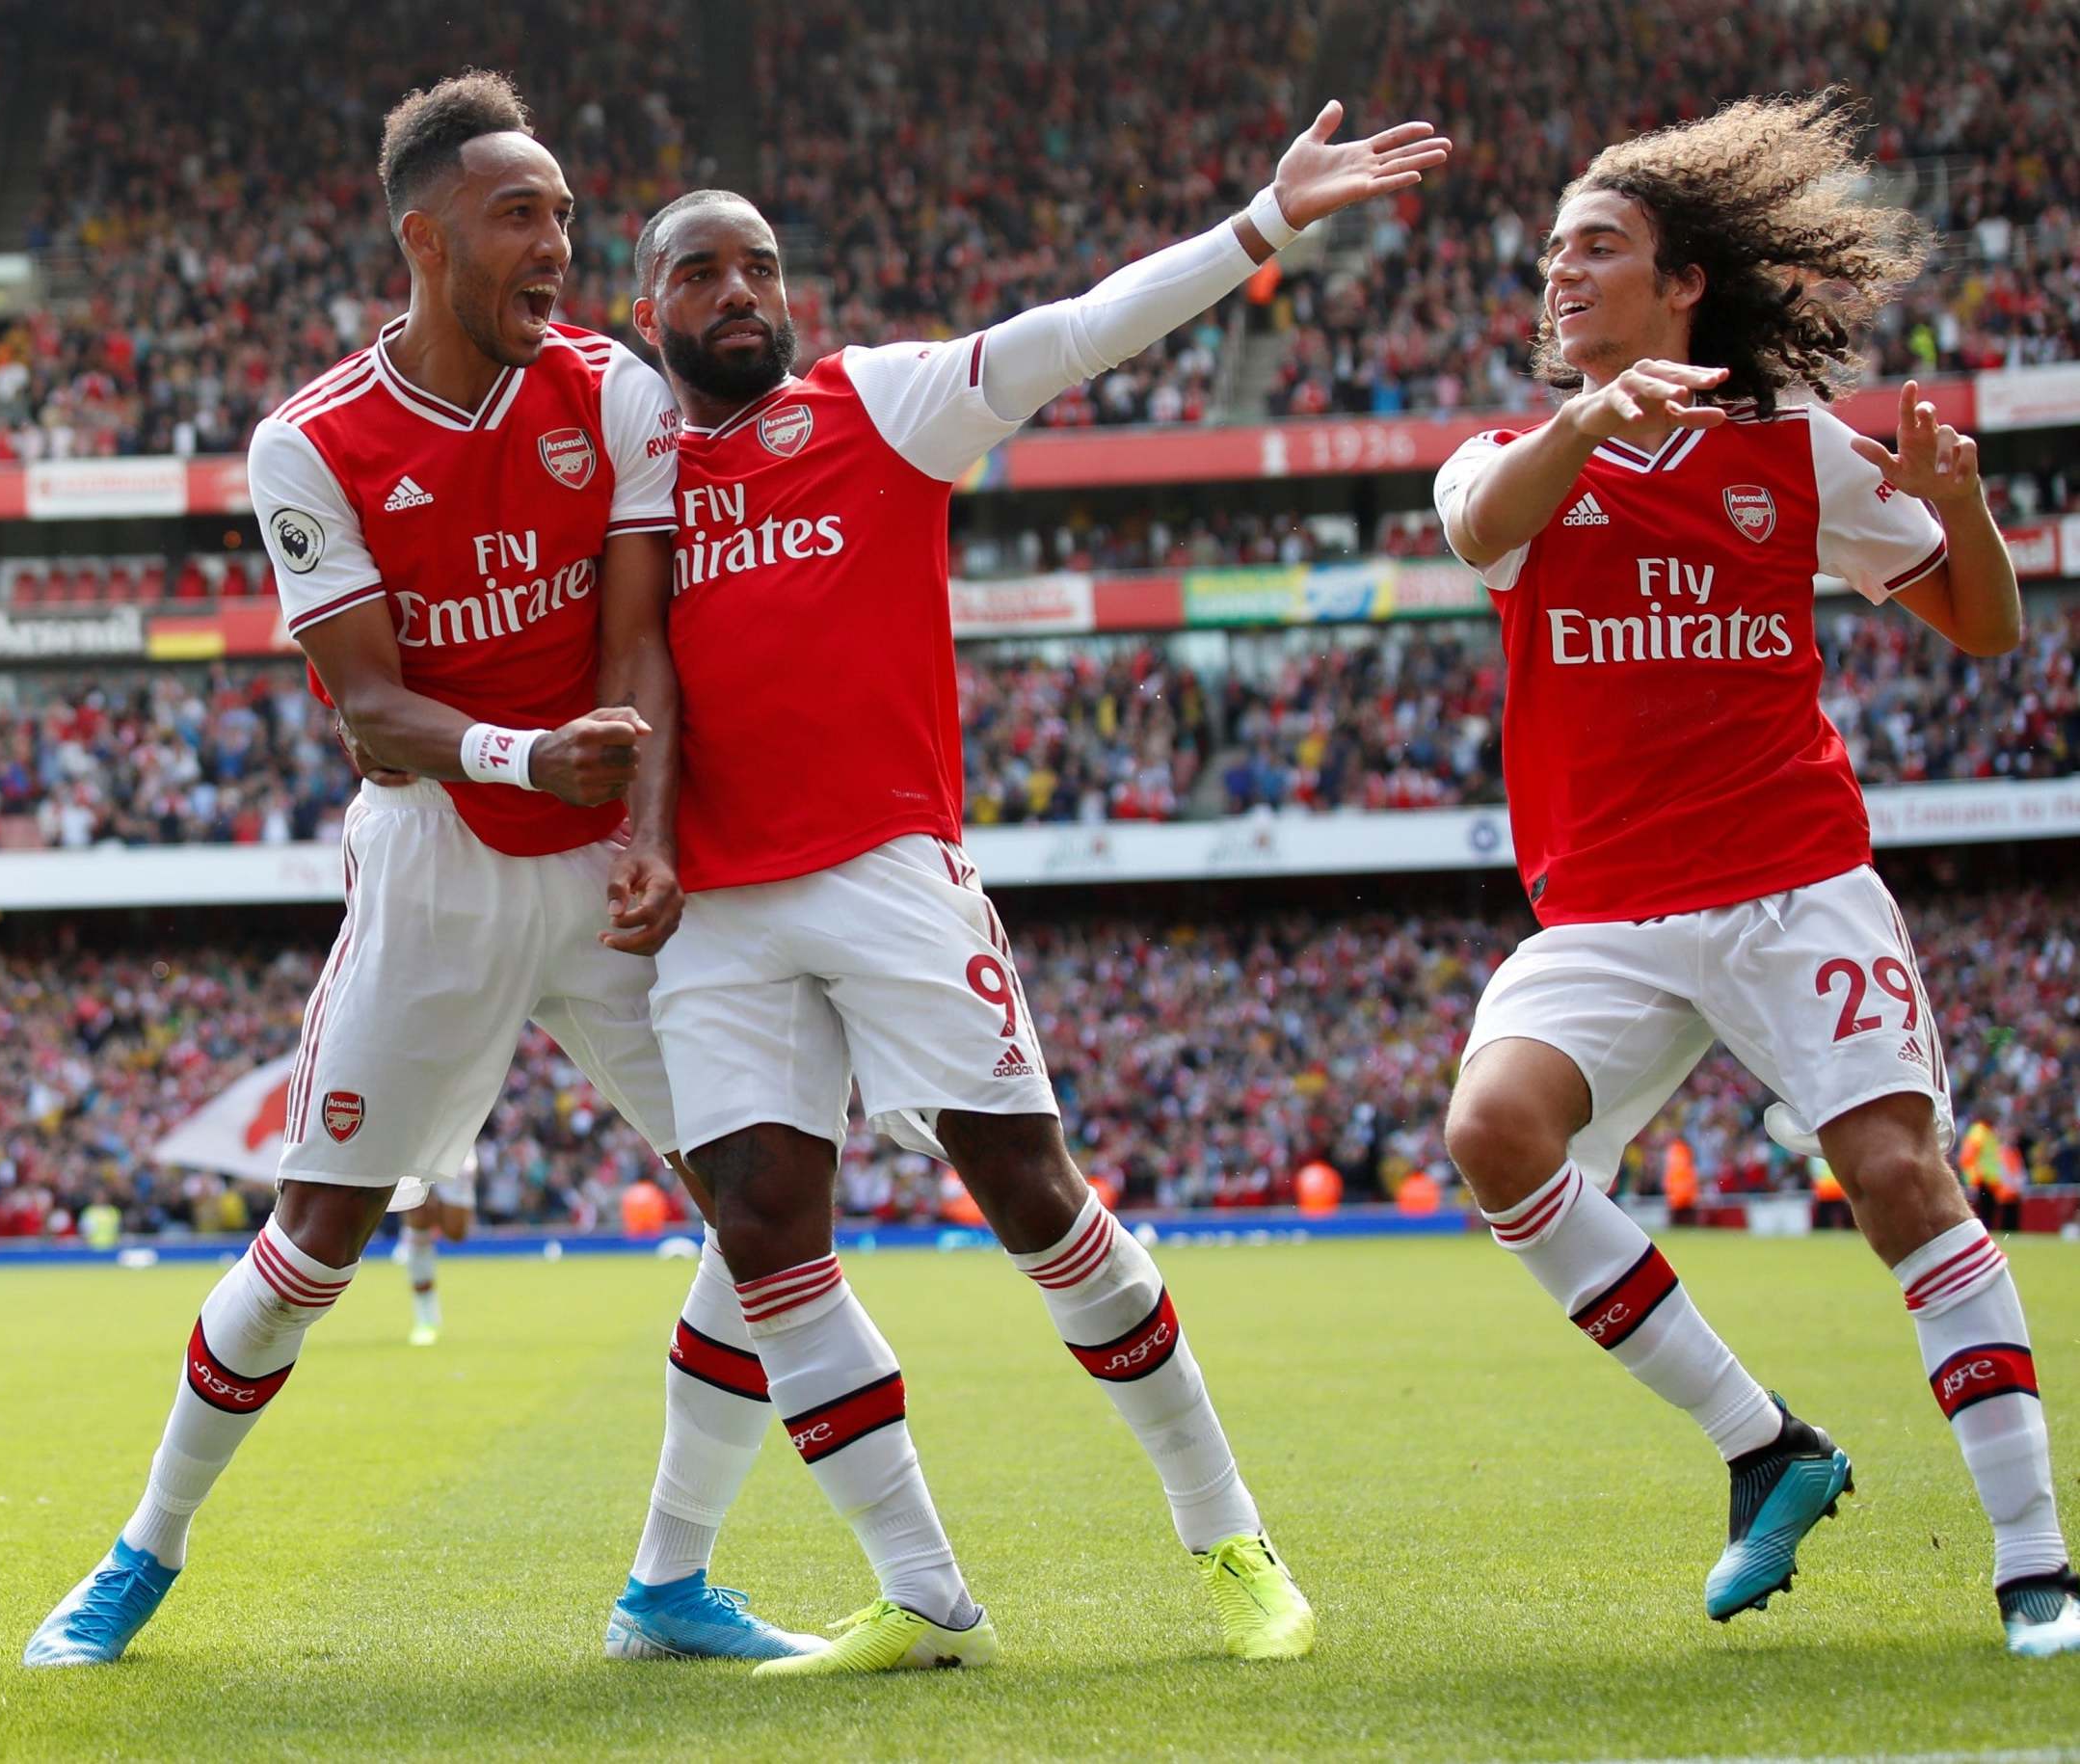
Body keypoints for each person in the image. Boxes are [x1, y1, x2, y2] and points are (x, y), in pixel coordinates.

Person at [617, 101, 1450, 1675]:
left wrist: (1257, 229)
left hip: (888, 872)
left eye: (761, 268)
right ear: (644, 308)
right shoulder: (634, 472)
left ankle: (1231, 1543)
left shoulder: (880, 405)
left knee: (1032, 1197)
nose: (739, 294)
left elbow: (1078, 333)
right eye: (700, 273)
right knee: (769, 1239)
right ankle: (923, 1596)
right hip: (715, 913)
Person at [24, 71, 819, 1669]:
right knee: (314, 1240)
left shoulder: (612, 394)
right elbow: (373, 708)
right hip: (441, 863)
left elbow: (639, 643)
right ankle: (143, 1551)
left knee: (775, 1201)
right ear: (427, 237)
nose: (557, 247)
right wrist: (532, 757)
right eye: (521, 217)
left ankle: (668, 1582)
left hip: (607, 867)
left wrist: (649, 829)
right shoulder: (308, 442)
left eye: (570, 221)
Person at [1429, 92, 2076, 1657]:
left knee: (1900, 1178)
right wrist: (1586, 423)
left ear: (1685, 284)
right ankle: (1765, 1444)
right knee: (1491, 1131)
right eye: (1552, 254)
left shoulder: (1795, 457)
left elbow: (1984, 630)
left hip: (1792, 881)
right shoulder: (1507, 461)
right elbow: (1478, 533)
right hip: (1609, 917)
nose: (1561, 274)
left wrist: (1969, 511)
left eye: (1601, 248)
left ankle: (2036, 1565)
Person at [396, 1154, 475, 1347]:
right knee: (418, 1213)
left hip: (455, 1142)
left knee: (456, 1232)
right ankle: (426, 1320)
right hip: (417, 1141)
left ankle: (432, 1214)